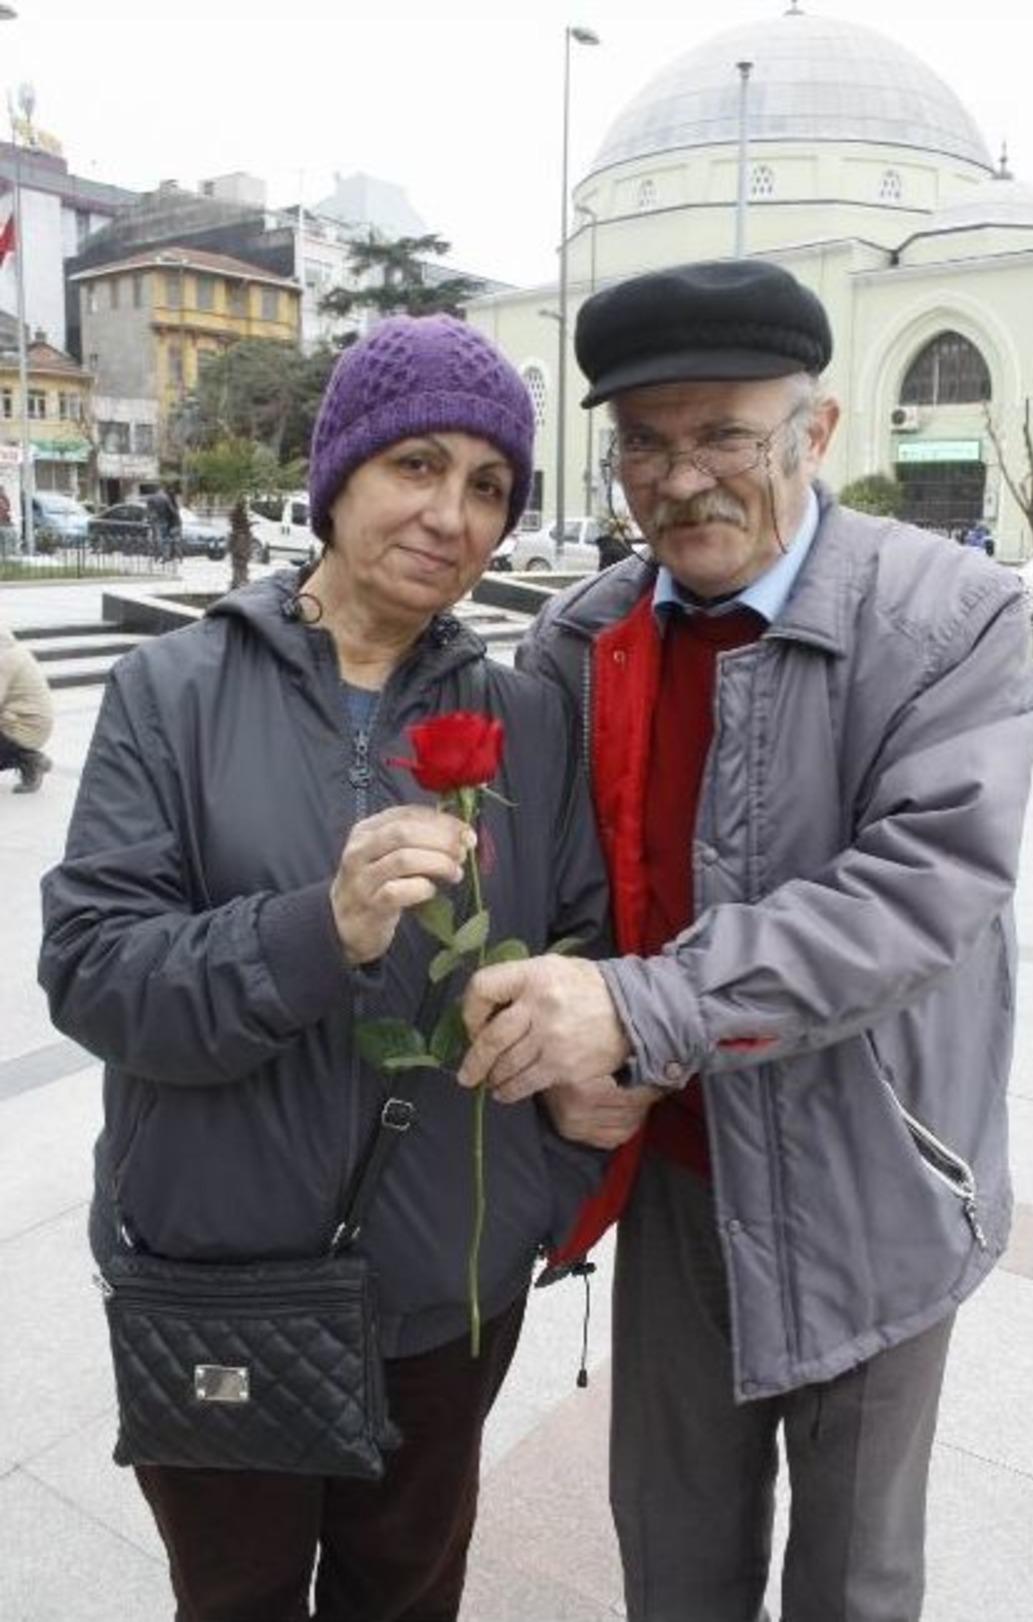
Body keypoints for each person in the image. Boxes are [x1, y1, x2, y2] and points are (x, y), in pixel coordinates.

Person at [457, 259, 1033, 1621]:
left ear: (816, 432)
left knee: (851, 1578)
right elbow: (550, 880)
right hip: (675, 1182)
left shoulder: (949, 617)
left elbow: (918, 892)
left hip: (875, 1182)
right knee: (674, 1556)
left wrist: (636, 1007)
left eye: (723, 433)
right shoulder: (585, 633)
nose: (679, 479)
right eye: (644, 445)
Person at [39, 315, 607, 1622]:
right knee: (234, 1597)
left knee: (404, 1594)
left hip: (442, 1301)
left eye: (488, 486)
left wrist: (534, 1186)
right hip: (220, 1284)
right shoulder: (172, 692)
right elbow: (92, 969)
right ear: (339, 469)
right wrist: (320, 927)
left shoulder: (526, 717)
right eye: (417, 464)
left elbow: (586, 954)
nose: (451, 515)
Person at [1, 615, 53, 792]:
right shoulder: (10, 649)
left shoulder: (3, 658)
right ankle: (26, 757)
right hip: (26, 725)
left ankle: (29, 760)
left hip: (24, 729)